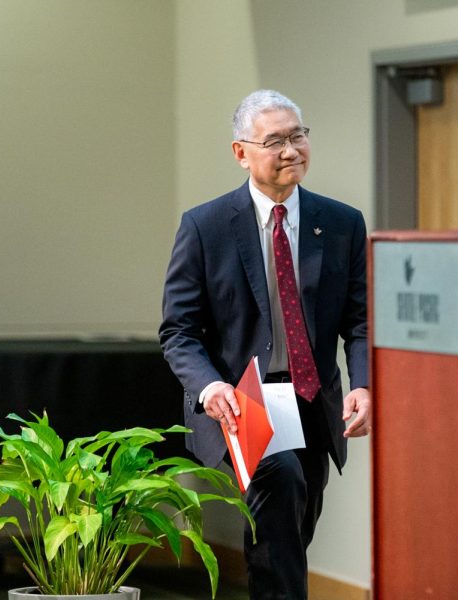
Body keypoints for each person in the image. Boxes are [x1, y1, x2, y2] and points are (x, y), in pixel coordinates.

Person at [159, 89, 371, 600]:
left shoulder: (341, 223)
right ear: (241, 152)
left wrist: (363, 384)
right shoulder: (206, 226)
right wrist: (209, 387)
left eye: (298, 136)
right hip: (242, 400)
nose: (291, 150)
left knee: (293, 526)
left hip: (310, 399)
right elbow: (178, 330)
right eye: (274, 141)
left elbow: (361, 321)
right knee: (280, 487)